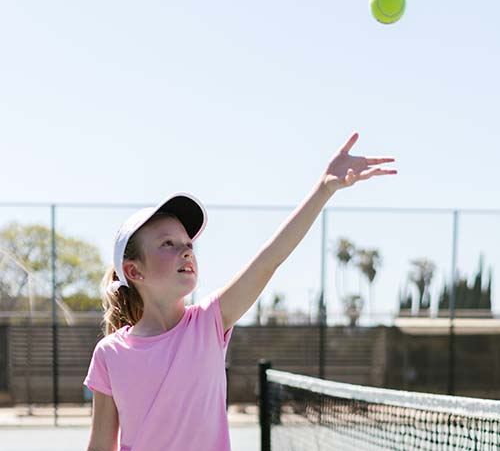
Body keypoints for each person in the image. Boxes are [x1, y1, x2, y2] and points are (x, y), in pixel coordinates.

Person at [84, 132, 397, 451]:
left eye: (189, 245)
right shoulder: (109, 353)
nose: (186, 251)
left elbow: (268, 261)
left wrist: (324, 189)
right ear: (135, 271)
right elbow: (100, 446)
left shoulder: (209, 322)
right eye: (168, 244)